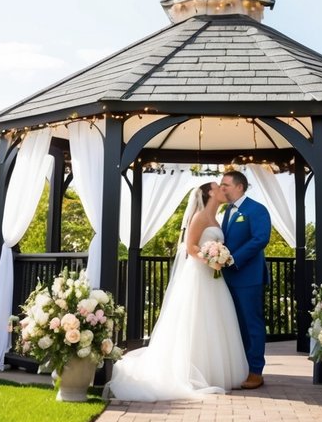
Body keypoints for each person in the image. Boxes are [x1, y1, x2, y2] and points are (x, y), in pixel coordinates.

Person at [108, 181, 248, 400]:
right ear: (209, 192)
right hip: (199, 275)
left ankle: (214, 372)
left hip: (214, 278)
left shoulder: (217, 220)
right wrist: (210, 259)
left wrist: (219, 257)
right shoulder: (200, 217)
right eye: (218, 187)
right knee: (196, 321)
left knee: (216, 321)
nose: (223, 189)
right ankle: (192, 372)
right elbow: (191, 247)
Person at [219, 169, 270, 389]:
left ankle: (256, 372)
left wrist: (233, 258)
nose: (222, 189)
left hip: (248, 277)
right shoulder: (226, 211)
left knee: (252, 325)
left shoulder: (256, 210)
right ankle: (240, 368)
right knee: (235, 325)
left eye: (226, 185)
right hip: (226, 278)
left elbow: (260, 239)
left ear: (239, 186)